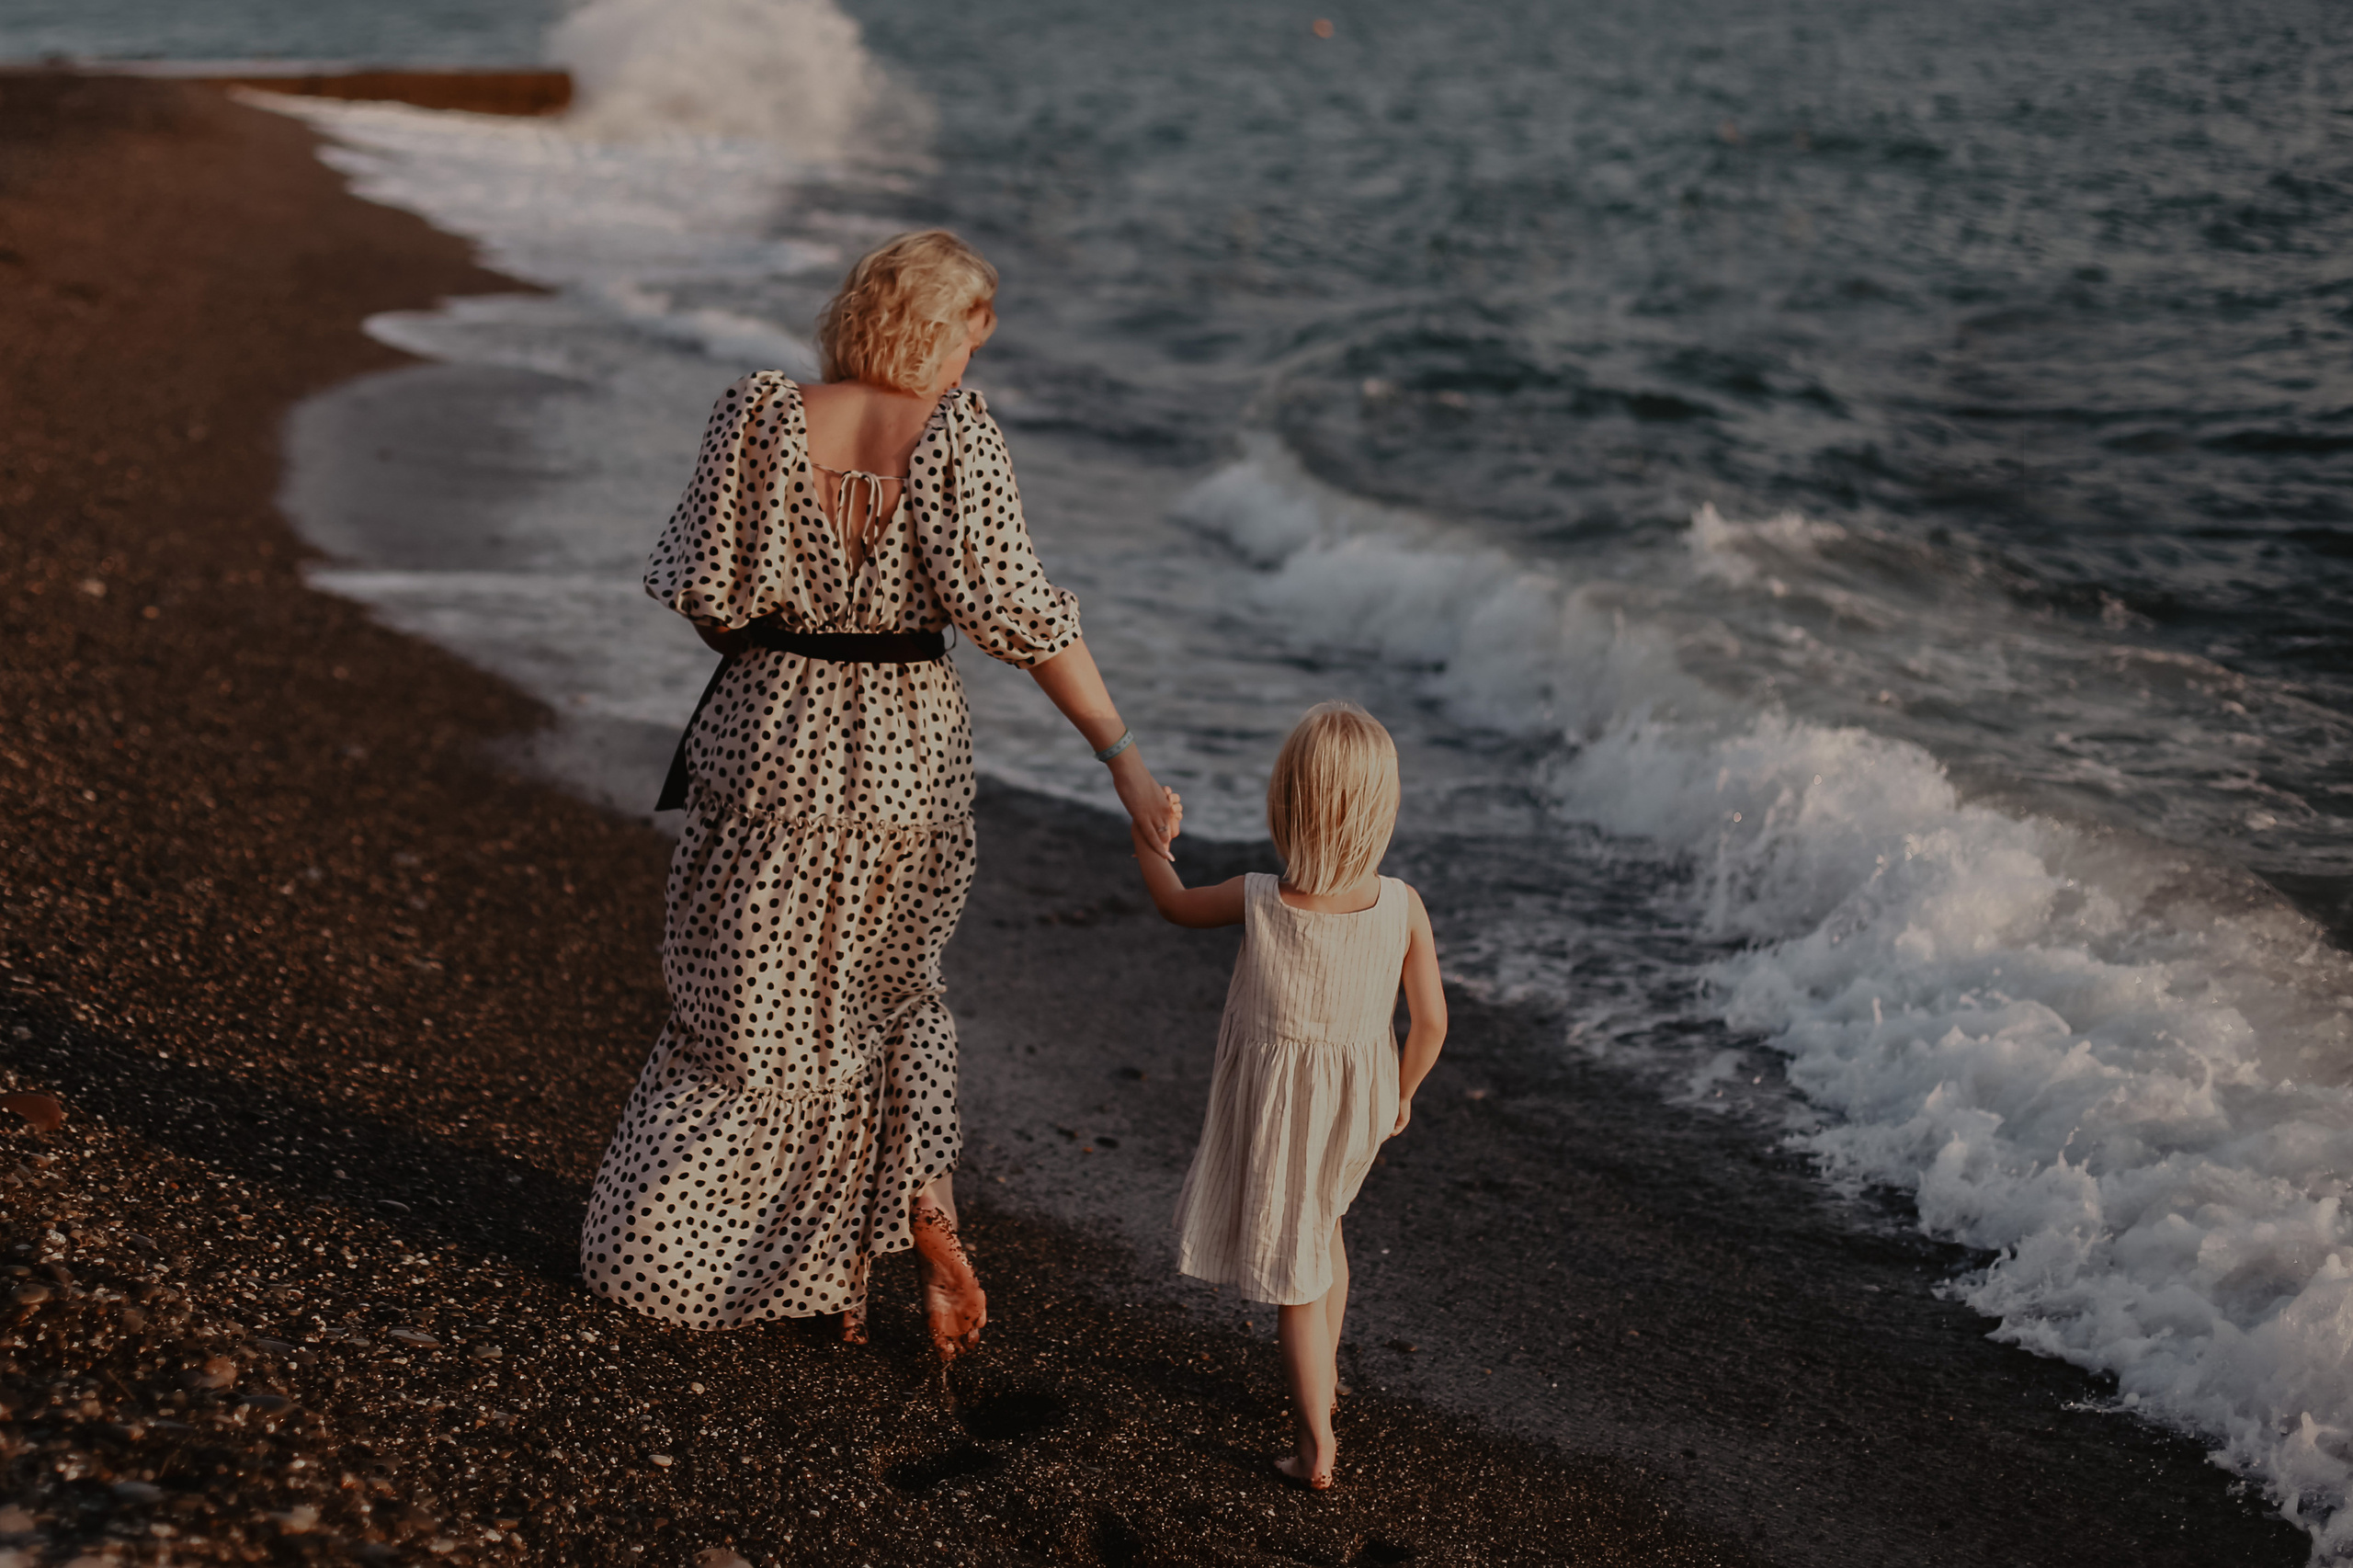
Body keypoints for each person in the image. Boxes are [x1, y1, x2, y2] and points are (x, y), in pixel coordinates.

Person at [580, 231, 1181, 1361]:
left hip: (769, 736)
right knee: (887, 995)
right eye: (964, 340)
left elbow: (702, 592)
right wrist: (1125, 758)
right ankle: (910, 1223)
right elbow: (1022, 619)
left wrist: (791, 620)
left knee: (752, 1012)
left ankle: (718, 1256)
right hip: (908, 750)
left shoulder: (758, 414)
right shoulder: (957, 437)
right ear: (932, 330)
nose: (964, 368)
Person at [1128, 700, 1446, 1490]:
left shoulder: (1260, 896)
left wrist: (1147, 834)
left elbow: (1170, 902)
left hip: (1289, 1114)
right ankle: (1327, 1385)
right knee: (1324, 1236)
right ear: (1383, 809)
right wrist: (1401, 1095)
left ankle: (1315, 1447)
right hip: (1362, 1103)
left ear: (1287, 803)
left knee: (1296, 1279)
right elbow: (1432, 1023)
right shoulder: (1402, 904)